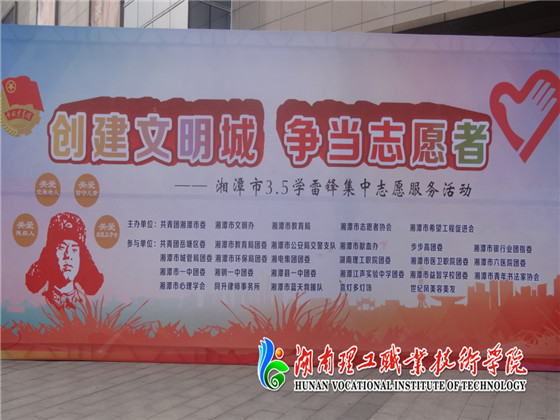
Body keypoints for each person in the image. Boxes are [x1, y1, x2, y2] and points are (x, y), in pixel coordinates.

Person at [26, 212, 103, 310]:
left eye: (74, 249)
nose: (68, 256)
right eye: (62, 248)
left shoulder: (86, 304)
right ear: (51, 254)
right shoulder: (38, 303)